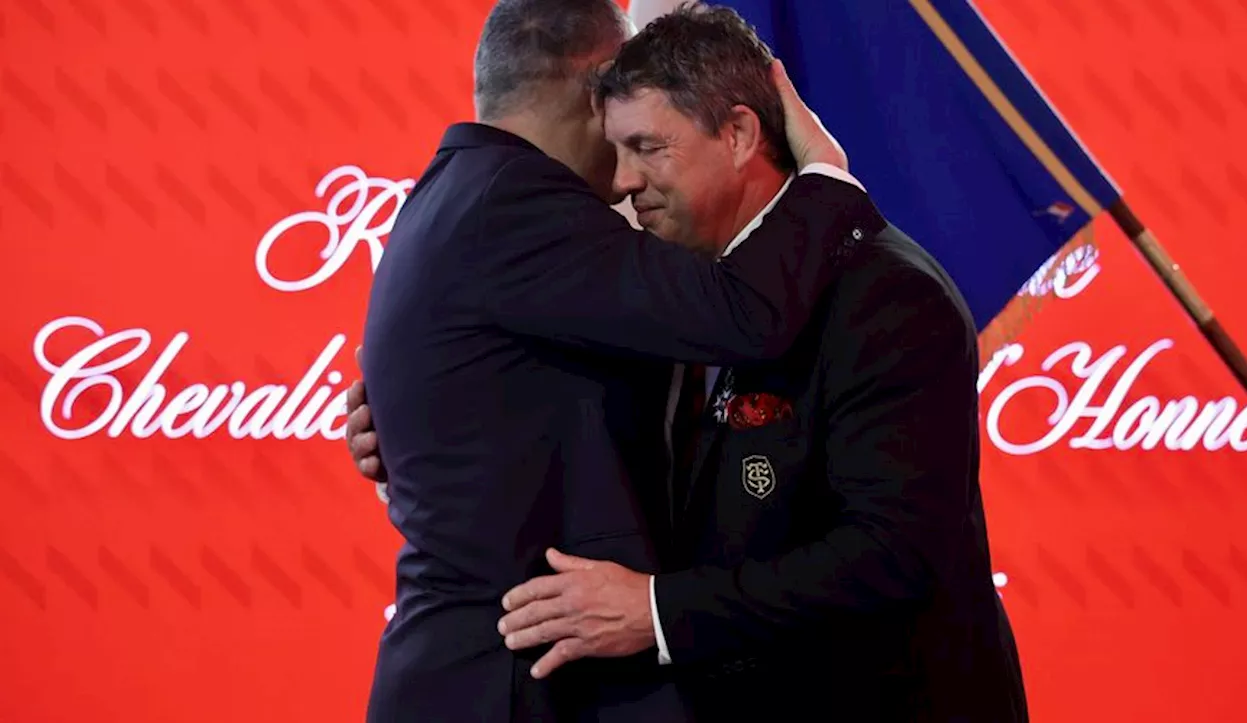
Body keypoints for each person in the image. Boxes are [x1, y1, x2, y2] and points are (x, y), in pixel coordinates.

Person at [351, 4, 1028, 722]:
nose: (623, 182)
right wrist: (415, 415)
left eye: (647, 146)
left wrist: (657, 611)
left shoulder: (888, 295)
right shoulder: (652, 281)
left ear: (737, 134)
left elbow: (893, 555)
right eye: (619, 147)